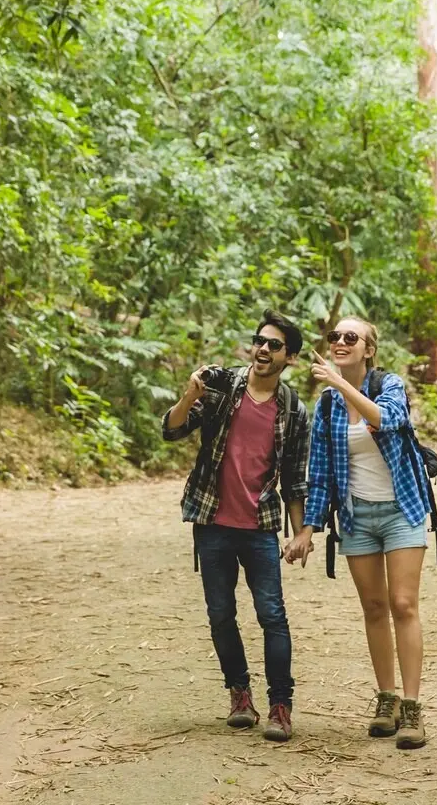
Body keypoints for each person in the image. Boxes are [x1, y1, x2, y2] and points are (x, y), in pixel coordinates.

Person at [283, 317, 434, 749]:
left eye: (352, 337)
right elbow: (322, 474)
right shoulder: (328, 406)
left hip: (402, 510)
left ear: (369, 349)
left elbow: (387, 419)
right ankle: (385, 700)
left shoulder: (390, 385)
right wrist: (307, 529)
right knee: (373, 607)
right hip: (356, 516)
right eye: (335, 337)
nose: (341, 342)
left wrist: (340, 382)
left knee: (403, 604)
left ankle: (412, 708)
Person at [163, 309, 310, 742]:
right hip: (212, 520)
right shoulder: (223, 385)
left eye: (274, 345)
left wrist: (300, 531)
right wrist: (190, 395)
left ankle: (280, 706)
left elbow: (294, 477)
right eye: (259, 341)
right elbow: (172, 431)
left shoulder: (293, 408)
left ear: (291, 358)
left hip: (260, 524)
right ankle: (240, 694)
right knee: (221, 613)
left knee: (272, 615)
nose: (263, 349)